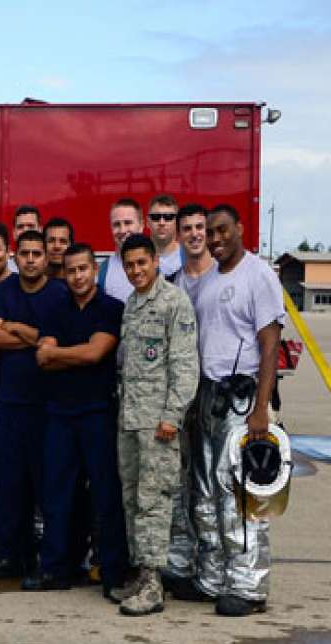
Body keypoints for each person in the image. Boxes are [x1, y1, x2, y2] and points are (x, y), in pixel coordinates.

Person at [178, 204, 285, 616]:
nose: (216, 238)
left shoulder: (258, 275)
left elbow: (270, 344)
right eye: (211, 232)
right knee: (204, 492)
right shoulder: (206, 281)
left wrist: (261, 407)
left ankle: (248, 586)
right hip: (207, 398)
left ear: (240, 229)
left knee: (238, 494)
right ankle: (212, 577)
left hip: (242, 401)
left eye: (223, 230)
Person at [25, 243, 128, 594]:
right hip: (60, 414)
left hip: (98, 413)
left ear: (93, 270)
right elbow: (42, 358)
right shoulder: (55, 308)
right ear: (64, 274)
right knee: (57, 494)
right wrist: (69, 353)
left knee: (105, 494)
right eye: (71, 271)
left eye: (83, 269)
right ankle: (56, 568)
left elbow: (96, 352)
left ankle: (113, 571)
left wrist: (59, 353)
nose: (78, 276)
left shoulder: (111, 308)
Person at [110, 233, 199, 616]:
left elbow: (184, 364)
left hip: (158, 423)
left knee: (155, 501)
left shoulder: (174, 302)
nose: (135, 271)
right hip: (131, 420)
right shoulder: (131, 304)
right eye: (129, 265)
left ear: (155, 263)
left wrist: (172, 415)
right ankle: (141, 573)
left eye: (141, 263)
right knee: (132, 498)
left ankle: (153, 583)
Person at [0, 230, 71, 579]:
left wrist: (16, 328)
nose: (31, 259)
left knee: (48, 486)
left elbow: (55, 343)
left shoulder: (59, 294)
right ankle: (9, 556)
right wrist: (35, 337)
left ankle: (49, 560)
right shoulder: (4, 291)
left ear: (46, 257)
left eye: (37, 253)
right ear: (15, 258)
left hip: (48, 406)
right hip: (9, 403)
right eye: (25, 253)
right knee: (8, 484)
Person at [164, 202, 214, 583]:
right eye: (189, 228)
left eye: (202, 227)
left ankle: (216, 570)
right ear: (179, 236)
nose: (195, 234)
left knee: (217, 483)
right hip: (182, 399)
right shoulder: (174, 284)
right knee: (181, 485)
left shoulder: (224, 277)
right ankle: (181, 564)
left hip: (219, 395)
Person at [98, 198, 145, 302]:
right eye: (116, 224)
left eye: (128, 223)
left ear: (141, 225)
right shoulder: (103, 270)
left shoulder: (158, 266)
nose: (122, 230)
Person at [147, 195, 183, 280]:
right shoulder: (138, 258)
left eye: (168, 217)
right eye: (156, 217)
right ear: (147, 222)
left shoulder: (188, 258)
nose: (162, 222)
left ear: (177, 222)